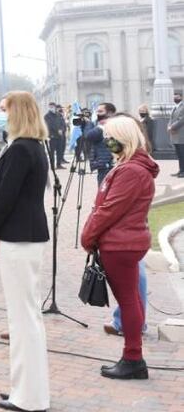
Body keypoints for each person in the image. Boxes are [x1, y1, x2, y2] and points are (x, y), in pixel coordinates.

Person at [0, 92, 51, 412]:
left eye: (3, 110)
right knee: (21, 319)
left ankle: (31, 397)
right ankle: (22, 388)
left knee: (24, 320)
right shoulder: (25, 146)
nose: (0, 115)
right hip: (20, 236)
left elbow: (5, 197)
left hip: (20, 238)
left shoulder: (23, 149)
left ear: (17, 113)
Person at [80, 115, 158, 380]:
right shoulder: (132, 167)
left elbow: (108, 210)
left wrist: (87, 236)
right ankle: (133, 357)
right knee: (131, 300)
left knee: (127, 301)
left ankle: (133, 358)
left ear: (124, 138)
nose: (107, 141)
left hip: (120, 244)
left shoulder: (131, 171)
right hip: (125, 241)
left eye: (111, 136)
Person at [83, 102, 116, 185]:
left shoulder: (104, 127)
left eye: (100, 111)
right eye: (97, 112)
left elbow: (89, 136)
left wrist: (88, 124)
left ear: (110, 113)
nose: (98, 114)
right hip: (108, 164)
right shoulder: (112, 124)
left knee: (104, 192)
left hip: (106, 165)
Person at [44, 102, 68, 169]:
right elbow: (49, 125)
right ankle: (52, 165)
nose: (52, 108)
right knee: (52, 152)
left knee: (59, 151)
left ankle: (58, 164)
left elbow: (63, 124)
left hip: (60, 136)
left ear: (55, 107)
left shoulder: (59, 115)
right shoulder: (47, 116)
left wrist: (62, 130)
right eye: (50, 107)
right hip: (52, 136)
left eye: (52, 107)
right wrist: (57, 130)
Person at [169, 90, 184, 177]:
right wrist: (169, 126)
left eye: (177, 96)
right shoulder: (175, 107)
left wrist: (172, 127)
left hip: (181, 134)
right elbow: (171, 119)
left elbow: (181, 119)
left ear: (181, 97)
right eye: (174, 96)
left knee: (182, 154)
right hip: (175, 135)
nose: (175, 98)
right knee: (179, 154)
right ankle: (181, 170)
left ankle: (183, 171)